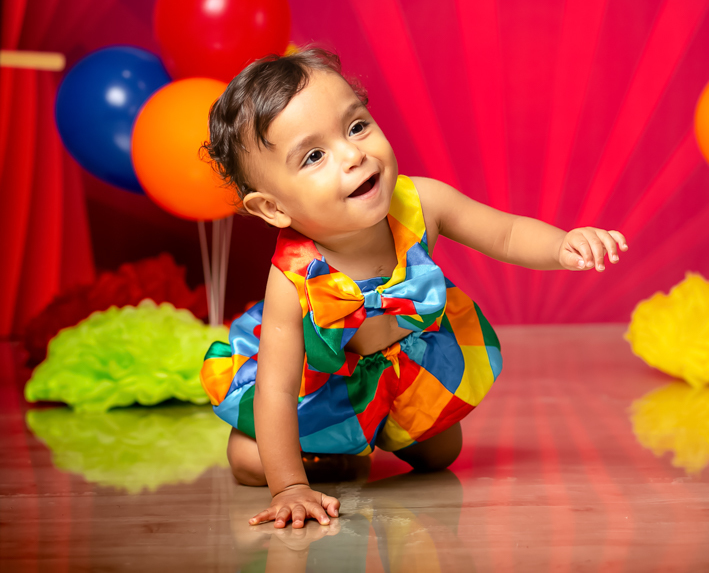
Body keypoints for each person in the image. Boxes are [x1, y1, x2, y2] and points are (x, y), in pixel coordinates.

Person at [199, 48, 627, 529]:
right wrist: (291, 487)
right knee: (251, 461)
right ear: (274, 209)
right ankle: (319, 458)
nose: (353, 153)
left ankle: (370, 440)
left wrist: (563, 244)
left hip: (404, 367)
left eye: (356, 126)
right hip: (323, 386)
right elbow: (276, 389)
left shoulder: (421, 201)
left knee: (442, 454)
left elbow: (505, 234)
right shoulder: (291, 277)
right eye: (314, 156)